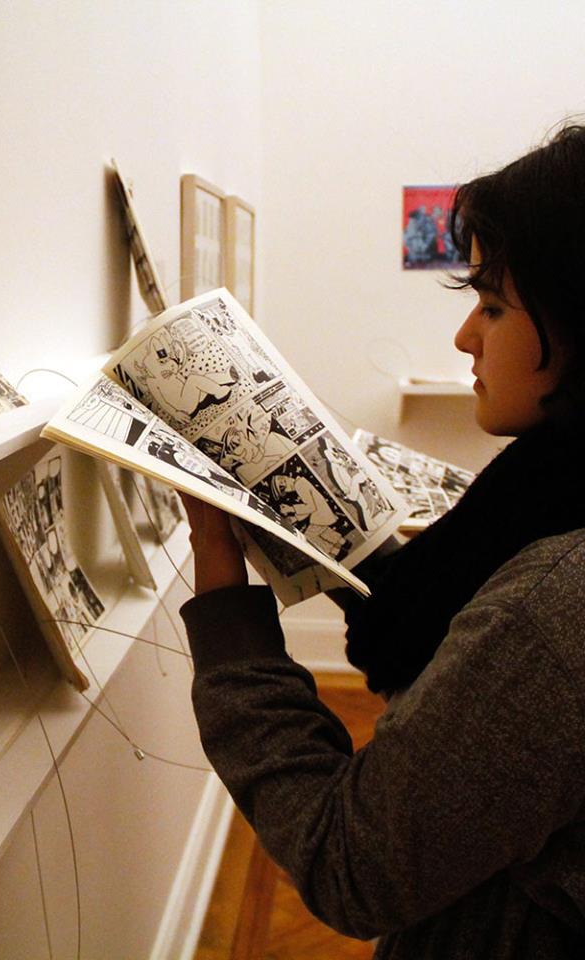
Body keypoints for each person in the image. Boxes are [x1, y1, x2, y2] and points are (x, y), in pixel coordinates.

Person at [180, 122, 585, 958]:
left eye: (494, 306)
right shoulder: (546, 493)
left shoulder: (553, 610)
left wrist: (224, 602)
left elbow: (350, 861)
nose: (466, 337)